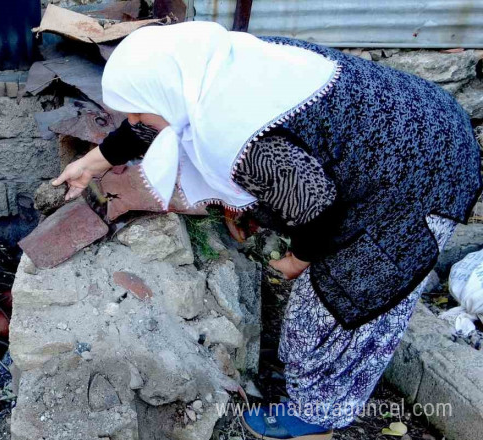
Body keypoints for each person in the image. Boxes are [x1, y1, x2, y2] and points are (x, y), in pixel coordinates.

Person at [52, 22, 481, 440]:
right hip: (401, 130)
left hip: (423, 173)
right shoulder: (205, 71)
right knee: (323, 298)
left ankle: (315, 419)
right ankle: (313, 398)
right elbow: (151, 120)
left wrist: (298, 260)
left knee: (344, 303)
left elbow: (314, 212)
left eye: (138, 110)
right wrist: (92, 162)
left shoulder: (240, 134)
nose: (134, 118)